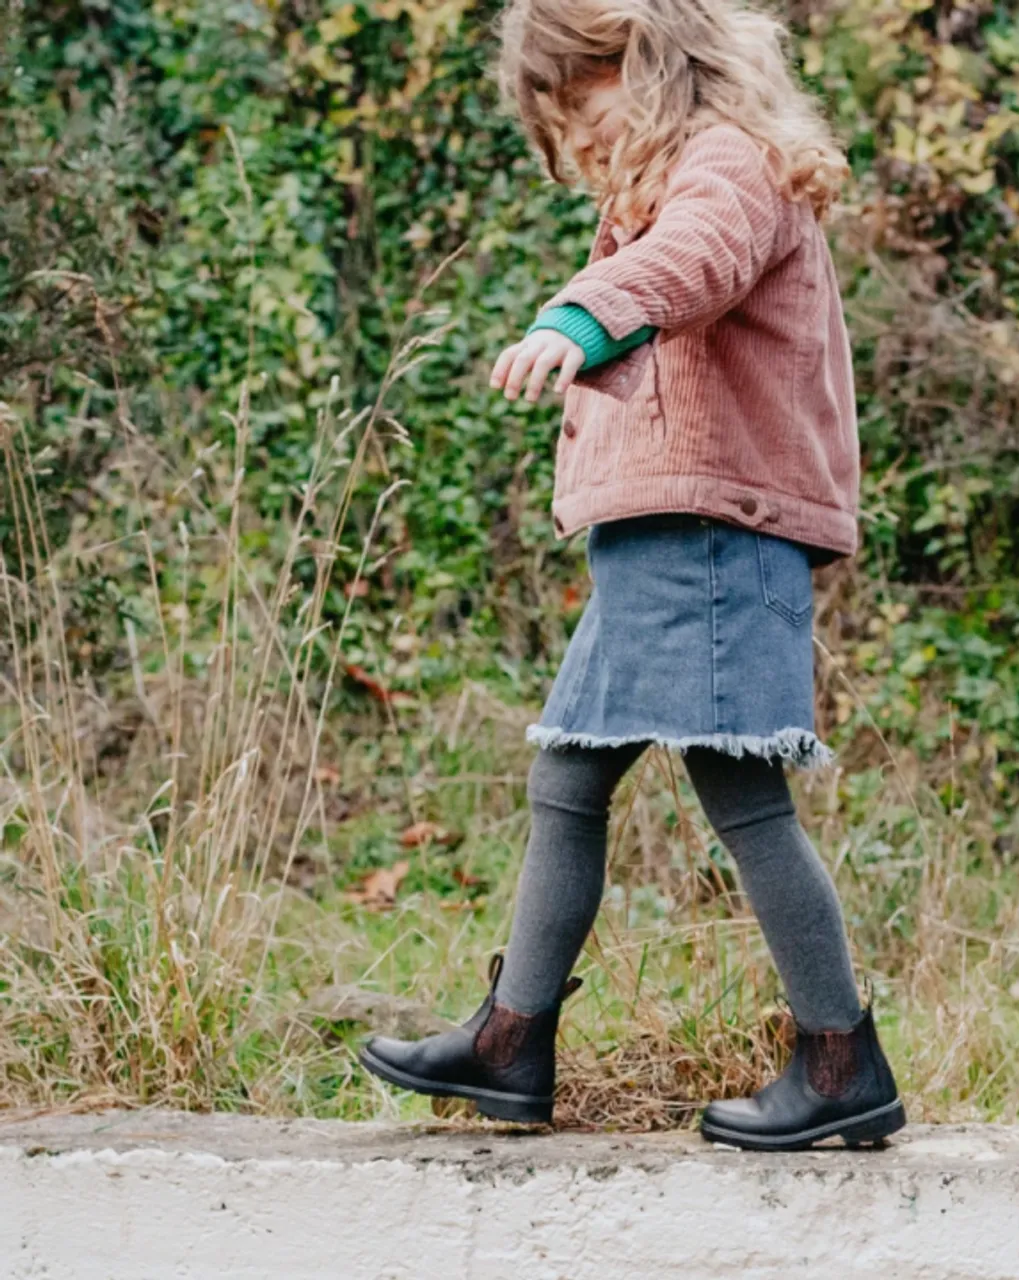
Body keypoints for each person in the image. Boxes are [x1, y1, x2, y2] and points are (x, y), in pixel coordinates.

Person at [358, 0, 905, 1152]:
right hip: (658, 536)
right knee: (568, 774)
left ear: (636, 63)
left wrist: (581, 315)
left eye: (575, 101)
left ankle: (839, 1056)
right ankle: (511, 1041)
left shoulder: (724, 166)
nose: (577, 136)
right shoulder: (674, 180)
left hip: (707, 529)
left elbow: (690, 262)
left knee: (740, 795)